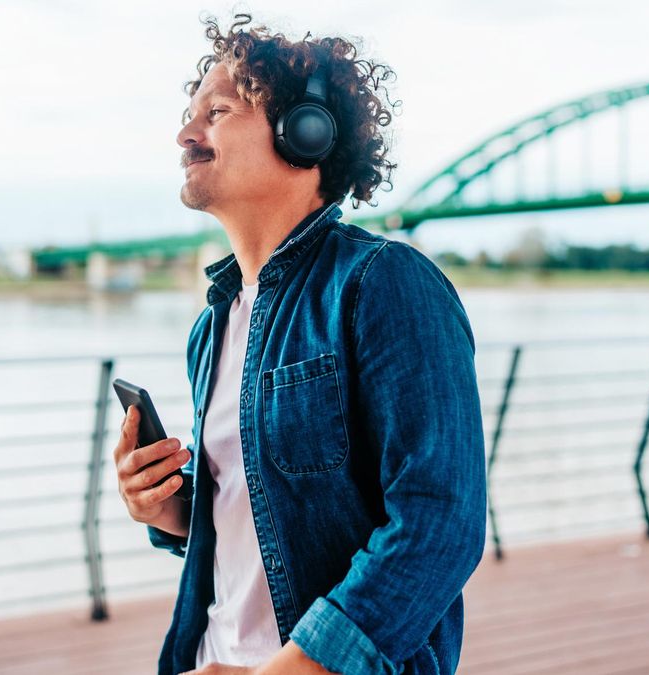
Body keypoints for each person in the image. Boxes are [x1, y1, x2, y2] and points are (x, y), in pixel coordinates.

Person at [112, 13, 486, 675]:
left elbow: (439, 523)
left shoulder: (383, 283)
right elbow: (256, 515)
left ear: (304, 133)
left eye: (216, 112)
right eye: (189, 116)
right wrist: (171, 509)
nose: (185, 134)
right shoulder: (212, 326)